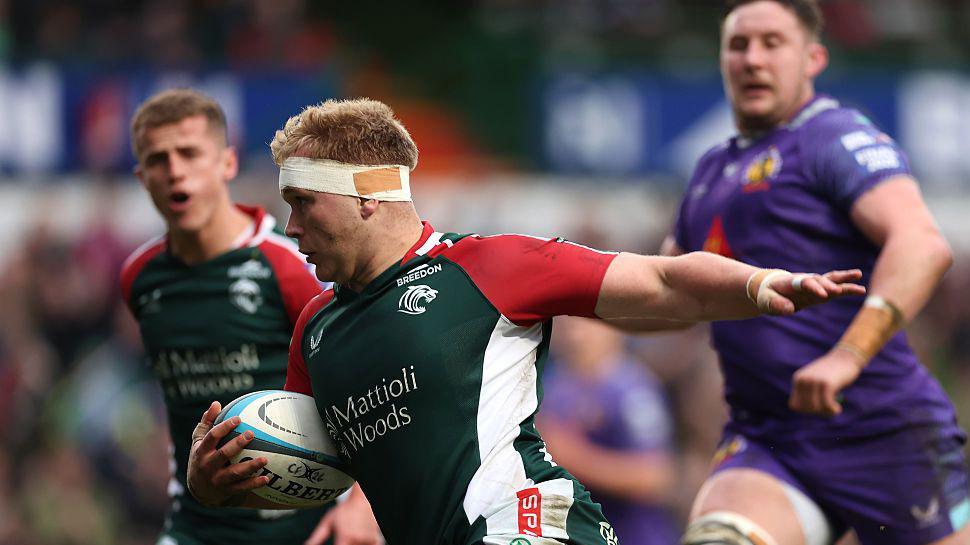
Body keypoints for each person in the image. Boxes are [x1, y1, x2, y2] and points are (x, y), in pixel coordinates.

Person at [183, 97, 863, 545]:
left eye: (304, 202)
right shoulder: (316, 330)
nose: (290, 224)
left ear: (367, 196)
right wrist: (219, 484)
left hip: (530, 524)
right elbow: (315, 471)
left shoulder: (488, 267)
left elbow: (659, 278)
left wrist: (759, 281)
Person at [650, 2, 967, 545]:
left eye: (772, 43)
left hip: (882, 430)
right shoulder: (709, 171)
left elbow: (923, 245)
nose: (753, 59)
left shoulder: (831, 137)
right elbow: (664, 293)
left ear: (813, 57)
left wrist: (848, 356)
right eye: (739, 45)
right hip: (769, 439)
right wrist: (565, 299)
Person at [120, 89, 380, 545]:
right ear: (143, 177)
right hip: (200, 521)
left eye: (189, 153)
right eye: (159, 159)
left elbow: (369, 380)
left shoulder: (287, 265)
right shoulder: (139, 279)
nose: (175, 170)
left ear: (227, 163)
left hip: (310, 519)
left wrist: (362, 503)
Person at [538, 316, 679, 545]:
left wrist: (577, 458)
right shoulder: (552, 386)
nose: (575, 334)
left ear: (613, 330)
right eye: (567, 324)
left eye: (584, 324)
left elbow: (656, 477)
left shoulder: (632, 389)